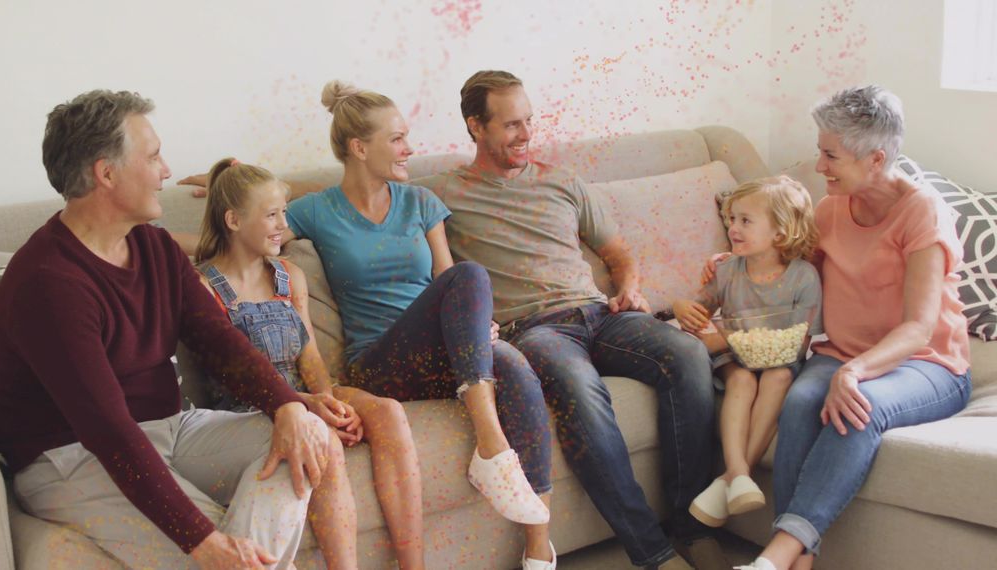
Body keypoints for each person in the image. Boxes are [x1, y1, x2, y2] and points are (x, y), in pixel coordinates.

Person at [179, 81, 557, 569]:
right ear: (360, 148)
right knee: (473, 279)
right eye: (397, 138)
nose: (410, 148)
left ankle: (537, 546)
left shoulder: (420, 202)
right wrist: (217, 193)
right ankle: (490, 445)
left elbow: (449, 283)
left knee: (512, 362)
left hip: (440, 350)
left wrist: (475, 330)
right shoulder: (319, 209)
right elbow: (251, 230)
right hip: (379, 362)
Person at [0, 90, 336, 570]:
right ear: (105, 173)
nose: (168, 171)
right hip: (69, 457)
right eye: (153, 157)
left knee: (305, 435)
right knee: (209, 552)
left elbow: (219, 341)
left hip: (170, 426)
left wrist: (286, 405)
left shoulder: (155, 248)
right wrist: (204, 541)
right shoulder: (48, 283)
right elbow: (107, 430)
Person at [416, 70, 726, 570]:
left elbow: (617, 251)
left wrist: (629, 285)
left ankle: (691, 528)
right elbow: (377, 197)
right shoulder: (441, 195)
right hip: (533, 330)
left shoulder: (563, 182)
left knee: (688, 353)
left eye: (529, 121)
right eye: (511, 125)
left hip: (602, 314)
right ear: (475, 126)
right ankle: (654, 552)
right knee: (580, 389)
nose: (526, 134)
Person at [731, 86, 972, 570]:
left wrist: (854, 372)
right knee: (800, 403)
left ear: (876, 158)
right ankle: (796, 561)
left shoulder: (921, 211)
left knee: (858, 407)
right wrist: (738, 264)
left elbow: (920, 327)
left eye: (830, 155)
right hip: (841, 351)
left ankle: (773, 558)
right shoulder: (829, 208)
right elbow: (793, 274)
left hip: (924, 364)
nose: (819, 166)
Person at [194, 157, 426, 569]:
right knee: (320, 436)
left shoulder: (289, 275)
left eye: (284, 212)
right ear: (232, 220)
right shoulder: (204, 288)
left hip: (305, 395)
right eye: (271, 215)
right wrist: (311, 409)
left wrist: (328, 401)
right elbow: (232, 379)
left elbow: (311, 356)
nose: (283, 224)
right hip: (252, 406)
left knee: (386, 412)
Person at [673, 176, 822, 529]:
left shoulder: (803, 277)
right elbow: (699, 314)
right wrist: (681, 307)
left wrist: (738, 335)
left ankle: (728, 480)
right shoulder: (726, 271)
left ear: (780, 234)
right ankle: (739, 472)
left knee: (779, 376)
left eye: (745, 221)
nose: (733, 229)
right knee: (740, 380)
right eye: (732, 220)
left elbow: (799, 343)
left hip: (780, 360)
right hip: (735, 359)